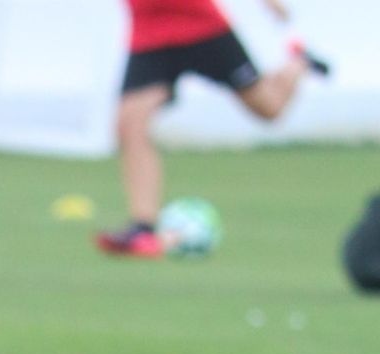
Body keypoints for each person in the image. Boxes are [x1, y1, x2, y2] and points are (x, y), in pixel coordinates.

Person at [97, 0, 331, 256]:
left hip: (202, 27)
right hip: (149, 31)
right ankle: (143, 227)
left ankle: (298, 62)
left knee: (269, 107)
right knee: (129, 124)